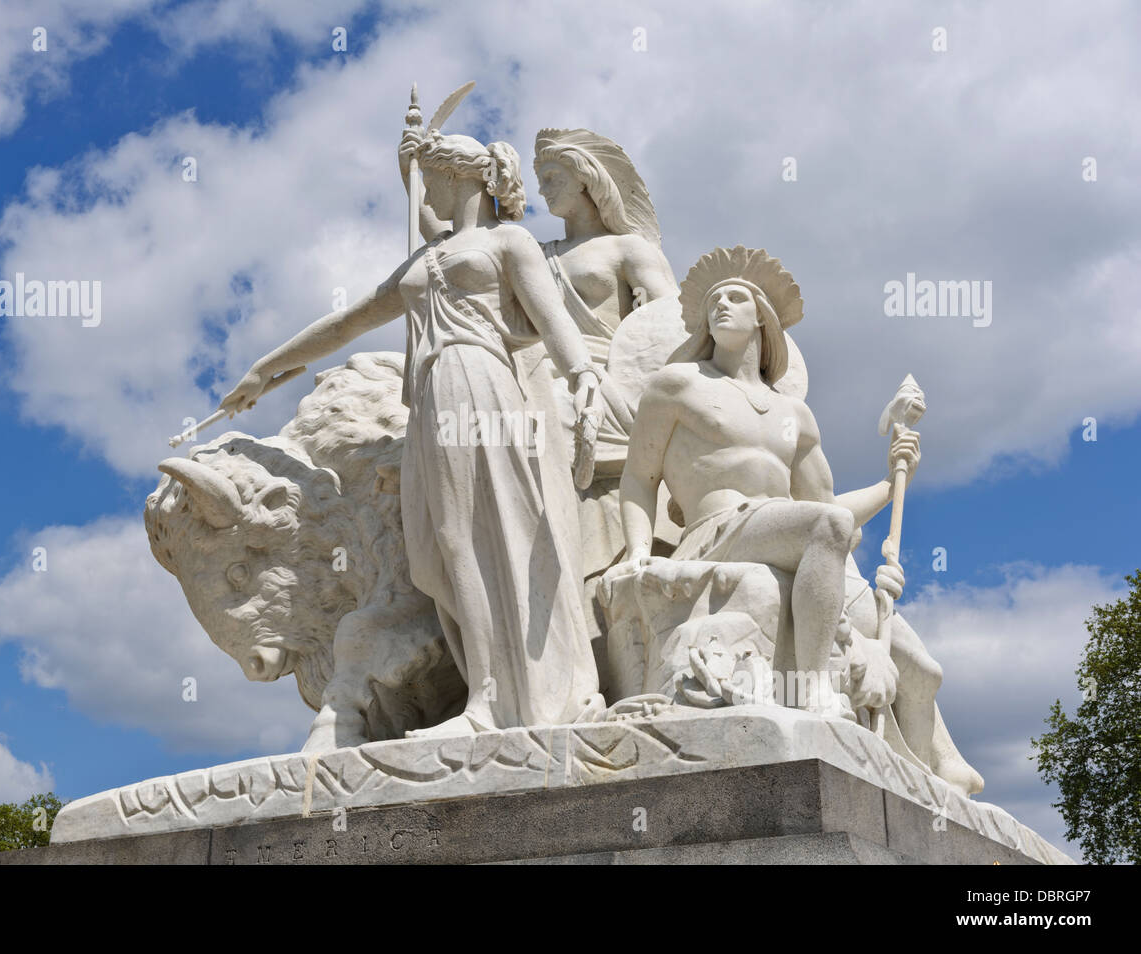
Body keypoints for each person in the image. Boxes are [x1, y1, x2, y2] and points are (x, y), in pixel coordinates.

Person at [219, 129, 605, 734]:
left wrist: (583, 376)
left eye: (432, 178)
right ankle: (487, 692)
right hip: (430, 393)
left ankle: (492, 702)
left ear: (461, 179)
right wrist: (265, 371)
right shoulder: (423, 261)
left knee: (491, 530)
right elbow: (348, 321)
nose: (426, 191)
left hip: (479, 381)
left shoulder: (509, 241)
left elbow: (554, 322)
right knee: (447, 543)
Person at [617, 246, 919, 716]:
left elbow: (828, 511)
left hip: (776, 530)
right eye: (713, 300)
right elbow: (638, 477)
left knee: (912, 654)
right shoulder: (678, 385)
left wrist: (891, 482)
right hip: (715, 532)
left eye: (735, 297)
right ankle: (815, 687)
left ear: (762, 319)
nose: (720, 305)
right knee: (826, 527)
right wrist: (638, 550)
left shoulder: (793, 413)